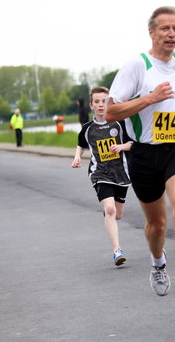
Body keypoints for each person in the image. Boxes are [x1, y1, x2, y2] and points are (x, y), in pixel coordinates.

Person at [105, 6, 175, 318]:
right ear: (152, 32)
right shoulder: (137, 66)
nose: (171, 34)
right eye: (165, 29)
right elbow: (111, 112)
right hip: (145, 153)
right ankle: (158, 261)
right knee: (157, 224)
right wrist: (149, 98)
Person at [71, 86, 132, 267]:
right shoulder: (88, 128)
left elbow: (133, 143)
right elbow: (80, 144)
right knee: (111, 209)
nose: (100, 105)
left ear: (109, 103)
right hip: (100, 173)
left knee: (117, 214)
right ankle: (117, 251)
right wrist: (76, 157)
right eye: (96, 102)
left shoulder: (120, 124)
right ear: (91, 105)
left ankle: (109, 212)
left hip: (121, 173)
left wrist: (122, 147)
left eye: (104, 101)